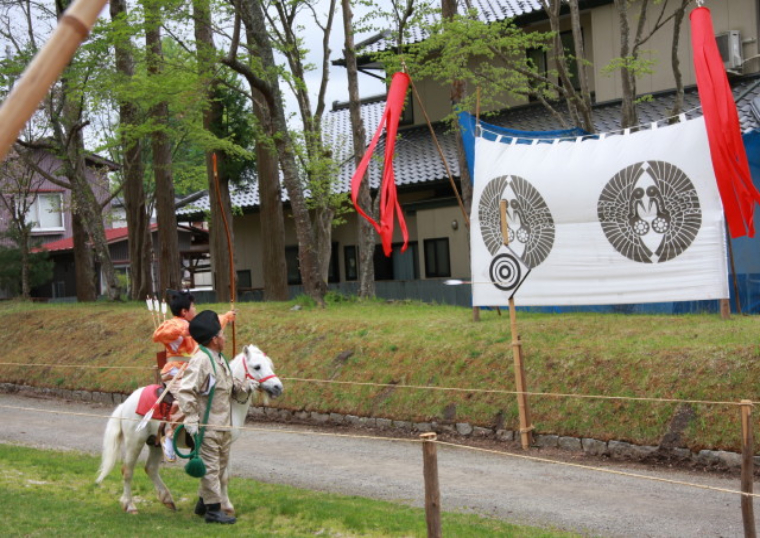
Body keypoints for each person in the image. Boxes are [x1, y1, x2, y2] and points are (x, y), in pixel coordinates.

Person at [176, 310, 252, 525]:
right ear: (214, 339)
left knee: (219, 467)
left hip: (223, 425)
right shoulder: (201, 361)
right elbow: (186, 390)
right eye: (222, 334)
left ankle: (203, 502)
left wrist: (247, 387)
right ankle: (213, 511)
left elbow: (230, 387)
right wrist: (191, 418)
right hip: (207, 425)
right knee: (210, 467)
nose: (225, 338)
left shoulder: (220, 359)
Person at [152, 291, 235, 461]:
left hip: (194, 371)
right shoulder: (172, 324)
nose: (195, 309)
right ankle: (169, 435)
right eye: (193, 307)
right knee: (185, 398)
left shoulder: (194, 326)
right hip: (175, 372)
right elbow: (158, 335)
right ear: (184, 311)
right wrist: (185, 329)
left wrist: (227, 316)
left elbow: (213, 325)